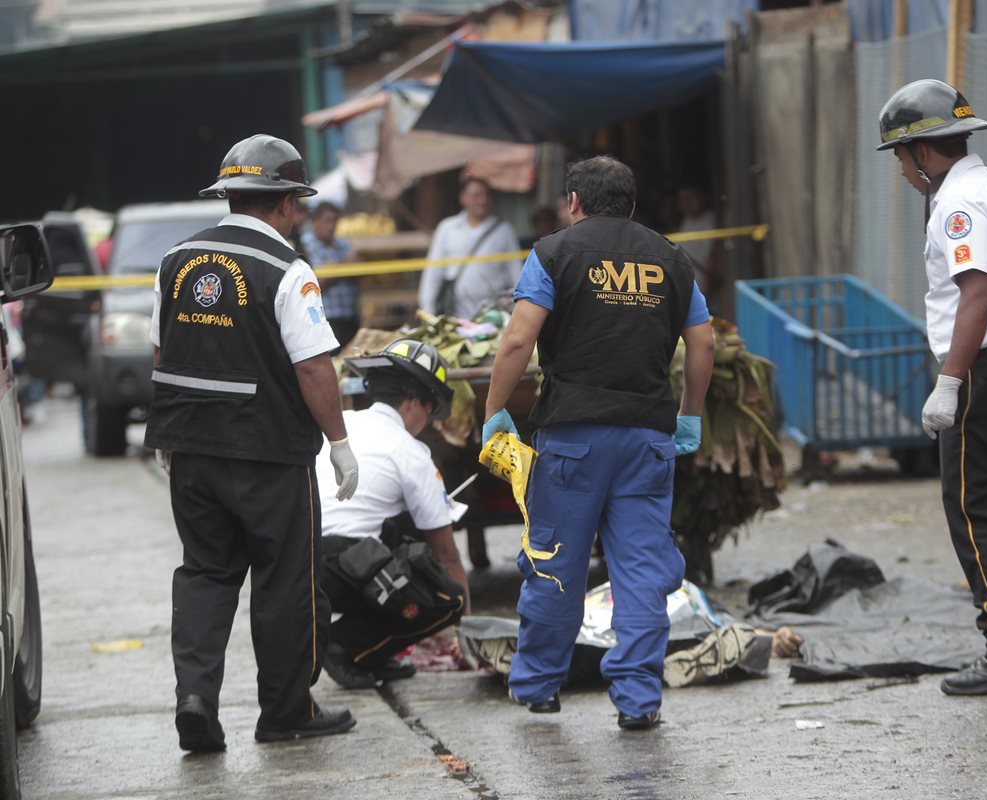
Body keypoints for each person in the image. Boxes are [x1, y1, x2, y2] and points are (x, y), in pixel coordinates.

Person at [144, 134, 361, 751]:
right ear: (287, 202)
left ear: (230, 195)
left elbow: (163, 352)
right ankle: (286, 712)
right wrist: (339, 442)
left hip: (190, 449)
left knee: (206, 574)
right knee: (283, 579)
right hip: (269, 454)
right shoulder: (289, 272)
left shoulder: (176, 261)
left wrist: (169, 425)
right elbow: (315, 368)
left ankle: (196, 700)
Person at [483, 155, 715, 730]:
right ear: (633, 207)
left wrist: (494, 413)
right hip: (646, 440)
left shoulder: (554, 253)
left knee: (556, 563)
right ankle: (639, 700)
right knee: (642, 570)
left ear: (573, 203)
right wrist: (689, 416)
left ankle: (538, 685)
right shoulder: (670, 257)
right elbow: (704, 345)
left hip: (572, 441)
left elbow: (517, 343)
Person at [877, 80, 987, 695]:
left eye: (901, 158)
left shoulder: (961, 205)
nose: (901, 171)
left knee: (975, 511)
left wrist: (950, 381)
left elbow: (976, 292)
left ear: (924, 153)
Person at [314, 339, 470, 689]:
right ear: (416, 402)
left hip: (296, 562)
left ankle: (375, 653)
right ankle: (344, 647)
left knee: (393, 543)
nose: (427, 422)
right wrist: (468, 629)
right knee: (447, 597)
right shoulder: (410, 450)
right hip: (340, 567)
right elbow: (446, 553)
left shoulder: (341, 425)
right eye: (430, 411)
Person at [418, 177, 522, 320]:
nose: (483, 200)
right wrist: (428, 312)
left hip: (495, 316)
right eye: (476, 195)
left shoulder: (504, 230)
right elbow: (433, 272)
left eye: (486, 195)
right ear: (463, 198)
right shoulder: (447, 228)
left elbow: (517, 274)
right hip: (454, 315)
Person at [302, 201, 358, 349]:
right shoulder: (306, 245)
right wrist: (343, 267)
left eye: (335, 221)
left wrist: (336, 269)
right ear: (315, 220)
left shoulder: (343, 245)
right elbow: (313, 284)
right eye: (327, 220)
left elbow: (358, 272)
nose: (331, 226)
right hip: (325, 319)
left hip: (350, 317)